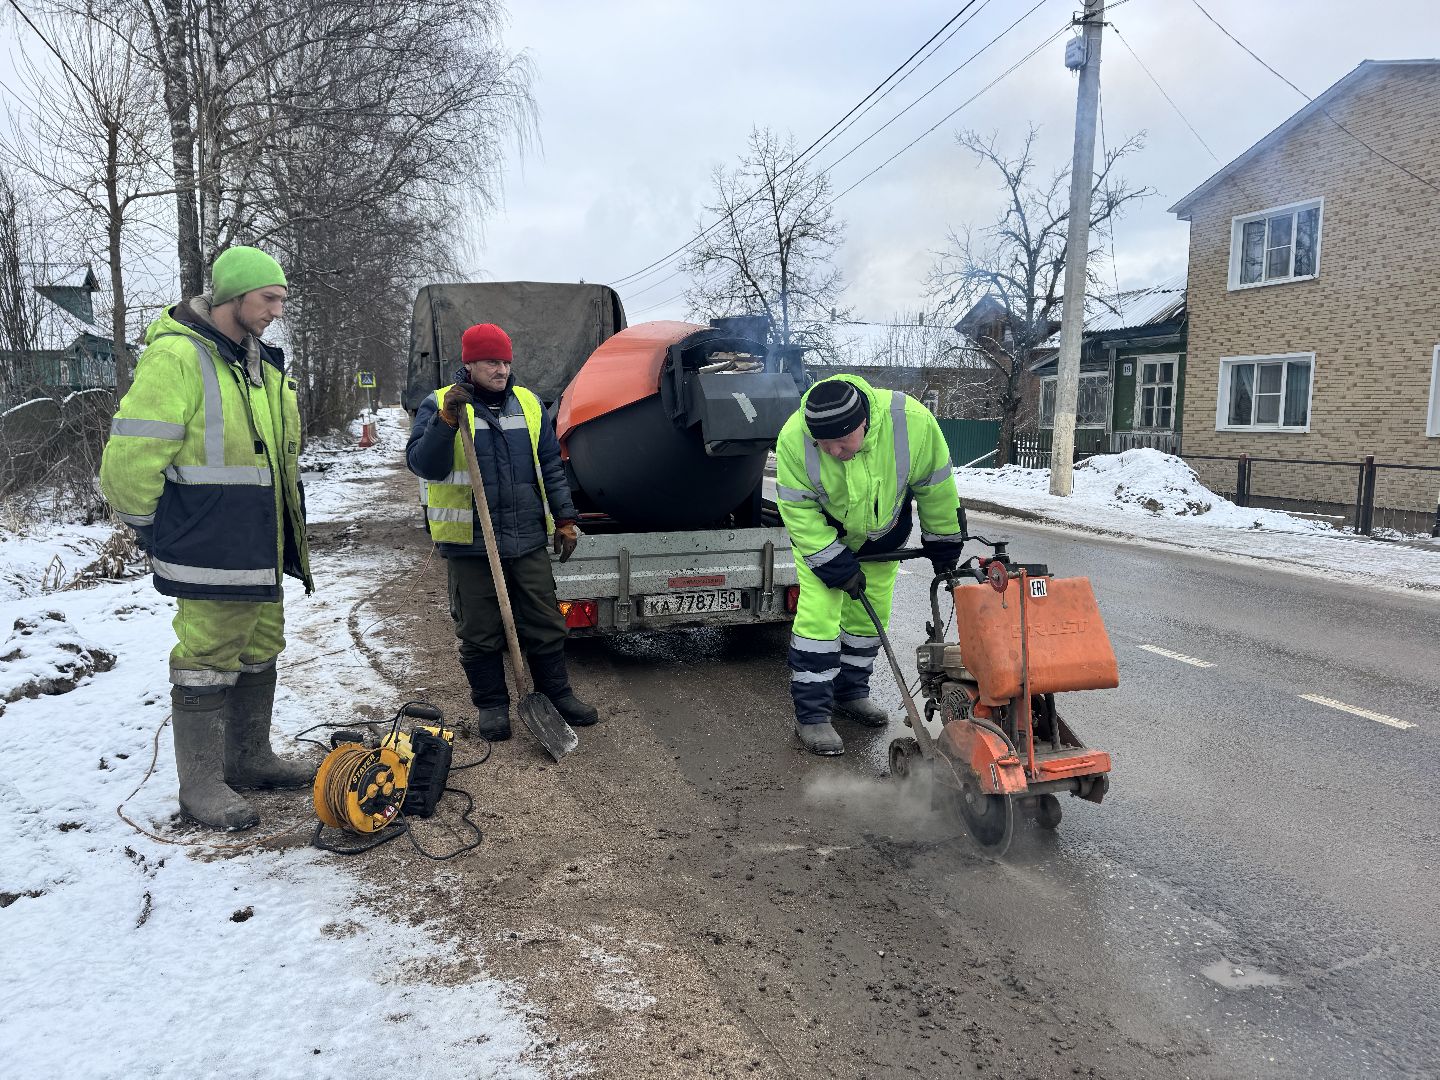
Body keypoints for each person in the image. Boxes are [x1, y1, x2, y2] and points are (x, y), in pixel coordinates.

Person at [99, 245, 314, 829]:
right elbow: (129, 461)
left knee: (262, 644)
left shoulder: (258, 363)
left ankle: (249, 758)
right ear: (233, 295)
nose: (276, 311)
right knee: (206, 657)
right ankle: (200, 785)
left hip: (258, 546)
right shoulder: (177, 357)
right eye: (269, 298)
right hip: (209, 546)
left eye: (282, 300)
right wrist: (154, 528)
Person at [405, 322, 597, 741]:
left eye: (506, 362)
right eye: (492, 362)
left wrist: (565, 519)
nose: (502, 370)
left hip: (525, 536)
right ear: (470, 364)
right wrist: (444, 422)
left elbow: (551, 465)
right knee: (479, 629)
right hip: (470, 542)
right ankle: (492, 705)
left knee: (545, 621)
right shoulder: (441, 403)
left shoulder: (528, 403)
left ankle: (557, 694)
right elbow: (423, 464)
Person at [775, 375, 965, 756]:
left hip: (883, 538)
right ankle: (812, 716)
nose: (834, 451)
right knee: (819, 620)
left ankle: (850, 693)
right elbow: (797, 509)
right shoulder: (794, 438)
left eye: (842, 440)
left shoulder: (912, 423)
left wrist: (944, 541)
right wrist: (834, 563)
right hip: (825, 543)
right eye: (824, 443)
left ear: (863, 422)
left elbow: (936, 486)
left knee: (868, 618)